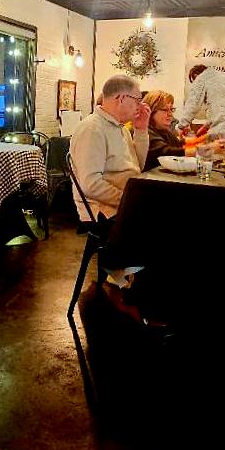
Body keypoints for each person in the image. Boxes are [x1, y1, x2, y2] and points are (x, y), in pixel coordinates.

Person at [69, 75, 150, 315]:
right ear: (121, 98)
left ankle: (139, 289)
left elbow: (138, 167)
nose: (139, 105)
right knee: (161, 229)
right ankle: (136, 296)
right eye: (137, 100)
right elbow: (90, 185)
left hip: (120, 204)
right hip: (101, 211)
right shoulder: (92, 129)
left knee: (171, 219)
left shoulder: (119, 128)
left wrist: (141, 130)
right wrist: (127, 202)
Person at [142, 90, 223, 171]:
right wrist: (208, 149)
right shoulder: (145, 131)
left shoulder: (164, 131)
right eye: (165, 110)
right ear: (151, 110)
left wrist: (207, 141)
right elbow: (166, 152)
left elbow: (181, 147)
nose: (170, 114)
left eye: (171, 109)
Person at [174, 64, 225, 138]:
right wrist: (205, 127)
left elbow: (192, 104)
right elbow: (223, 109)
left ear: (196, 76)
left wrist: (181, 126)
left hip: (222, 131)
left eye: (194, 81)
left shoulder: (202, 77)